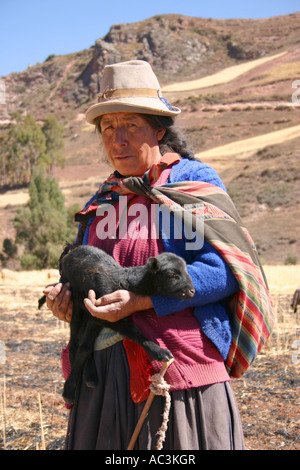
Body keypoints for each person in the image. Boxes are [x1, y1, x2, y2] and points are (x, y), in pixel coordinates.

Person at [43, 60, 274, 450]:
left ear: (159, 129)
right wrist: (67, 301)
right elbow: (88, 275)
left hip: (177, 372)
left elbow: (225, 271)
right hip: (101, 376)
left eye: (131, 125)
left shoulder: (192, 185)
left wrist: (142, 301)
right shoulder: (102, 201)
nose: (118, 139)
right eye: (108, 128)